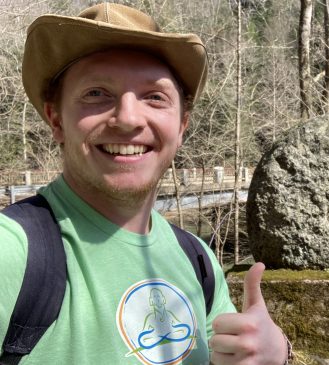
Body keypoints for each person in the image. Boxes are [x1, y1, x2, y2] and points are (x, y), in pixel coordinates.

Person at [0, 3, 290, 364]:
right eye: (96, 94)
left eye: (154, 96)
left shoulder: (198, 260)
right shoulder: (12, 252)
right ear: (56, 119)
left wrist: (275, 354)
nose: (128, 118)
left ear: (181, 126)